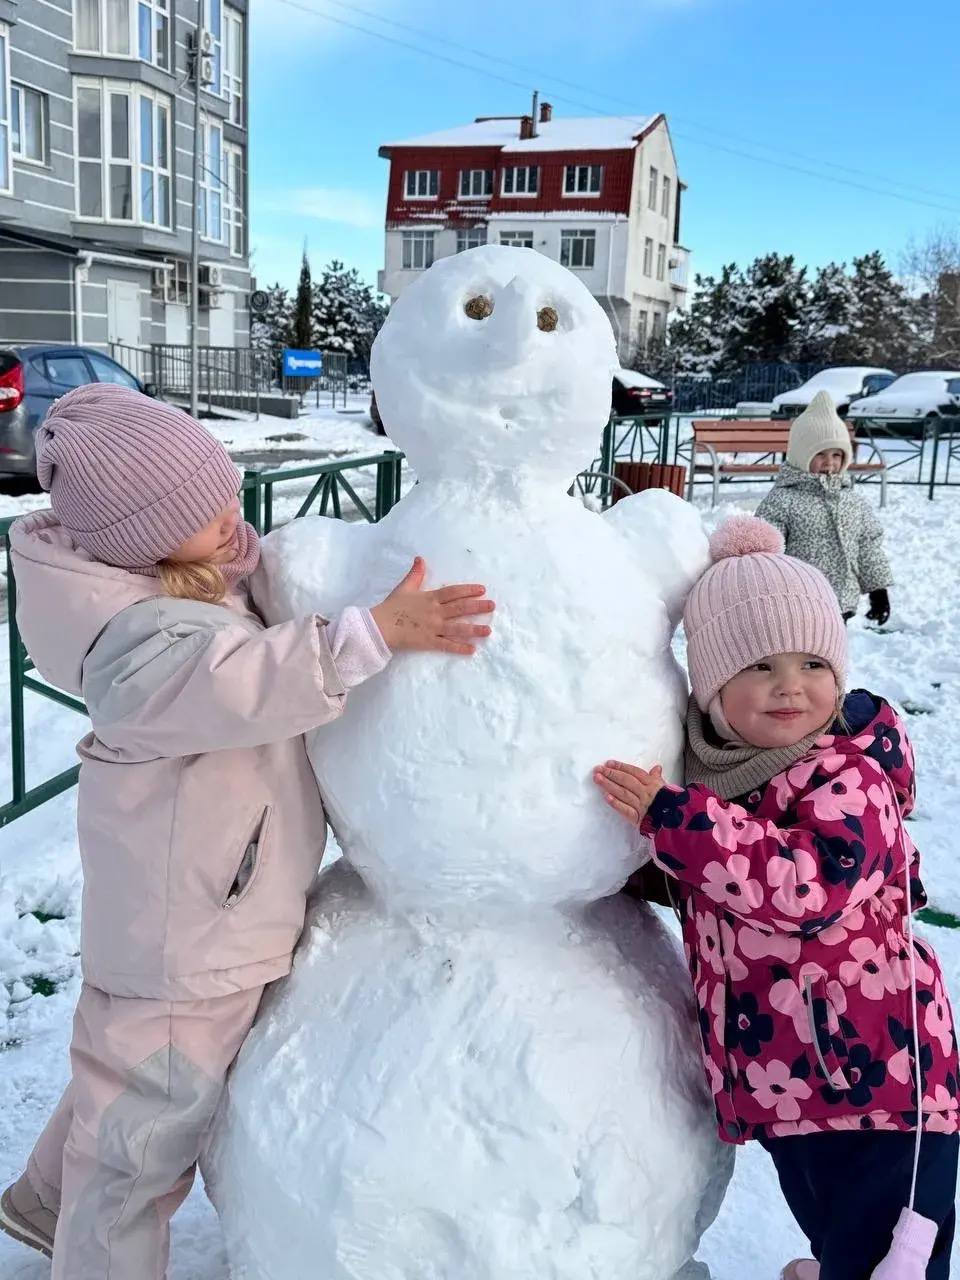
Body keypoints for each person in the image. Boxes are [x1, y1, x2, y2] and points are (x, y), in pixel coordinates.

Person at [0, 384, 495, 1280]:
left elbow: (236, 588)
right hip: (186, 938)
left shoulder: (173, 579)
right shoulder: (140, 645)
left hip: (202, 914)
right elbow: (238, 680)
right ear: (142, 542)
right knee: (142, 1145)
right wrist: (367, 635)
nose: (233, 520)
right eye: (202, 513)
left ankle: (43, 1205)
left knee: (129, 1088)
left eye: (228, 491)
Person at [594, 515, 958, 1280]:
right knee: (840, 1232)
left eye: (813, 664)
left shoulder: (848, 777)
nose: (791, 685)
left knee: (891, 1258)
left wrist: (678, 822)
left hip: (883, 1085)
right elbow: (732, 887)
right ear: (713, 689)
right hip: (798, 1083)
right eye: (759, 666)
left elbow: (805, 887)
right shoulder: (741, 781)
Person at [755, 390, 893, 625]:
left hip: (841, 603)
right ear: (801, 455)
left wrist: (878, 590)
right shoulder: (782, 500)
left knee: (829, 660)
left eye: (837, 454)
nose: (830, 462)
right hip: (796, 604)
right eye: (820, 454)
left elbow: (868, 544)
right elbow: (765, 554)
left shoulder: (853, 501)